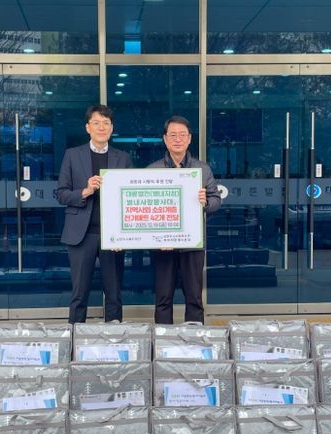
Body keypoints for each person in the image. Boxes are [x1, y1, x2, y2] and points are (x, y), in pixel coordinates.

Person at [57, 105, 133, 324]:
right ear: (87, 127)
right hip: (81, 235)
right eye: (96, 123)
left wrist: (124, 234)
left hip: (113, 236)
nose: (102, 127)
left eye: (106, 123)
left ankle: (114, 339)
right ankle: (74, 338)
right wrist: (85, 190)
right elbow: (61, 194)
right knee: (79, 294)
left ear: (112, 128)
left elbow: (129, 199)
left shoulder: (123, 158)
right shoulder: (72, 155)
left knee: (114, 294)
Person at [148, 115, 221, 324]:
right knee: (163, 298)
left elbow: (216, 200)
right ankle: (163, 338)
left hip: (192, 243)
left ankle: (195, 338)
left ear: (189, 139)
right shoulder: (152, 170)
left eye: (182, 135)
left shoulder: (202, 169)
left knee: (194, 298)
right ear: (165, 139)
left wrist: (205, 202)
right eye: (173, 135)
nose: (178, 139)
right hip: (163, 243)